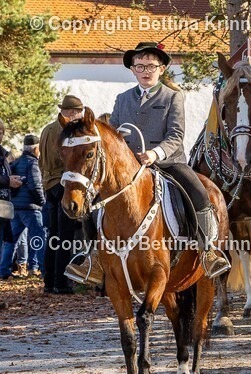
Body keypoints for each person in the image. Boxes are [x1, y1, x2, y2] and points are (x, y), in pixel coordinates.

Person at [65, 41, 230, 285]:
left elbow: (176, 135)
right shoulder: (123, 98)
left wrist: (154, 154)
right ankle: (94, 259)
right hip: (129, 170)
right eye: (140, 66)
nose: (145, 70)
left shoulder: (173, 97)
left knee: (199, 194)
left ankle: (208, 252)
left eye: (151, 66)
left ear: (161, 69)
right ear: (132, 69)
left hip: (167, 162)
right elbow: (115, 134)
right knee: (95, 203)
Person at [39, 95, 86, 295]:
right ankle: (61, 282)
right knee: (65, 237)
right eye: (77, 112)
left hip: (49, 184)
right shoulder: (67, 131)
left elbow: (41, 160)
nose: (79, 116)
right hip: (63, 184)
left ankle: (49, 281)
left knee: (53, 236)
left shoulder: (46, 129)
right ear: (71, 112)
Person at [0, 135, 46, 280]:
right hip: (31, 208)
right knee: (38, 238)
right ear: (36, 148)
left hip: (15, 207)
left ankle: (3, 270)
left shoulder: (16, 162)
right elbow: (35, 185)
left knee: (11, 240)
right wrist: (42, 202)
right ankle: (43, 269)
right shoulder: (33, 163)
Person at [0, 120, 22, 278]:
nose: (0, 135)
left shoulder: (3, 154)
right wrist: (8, 181)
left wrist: (12, 180)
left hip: (3, 207)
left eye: (1, 132)